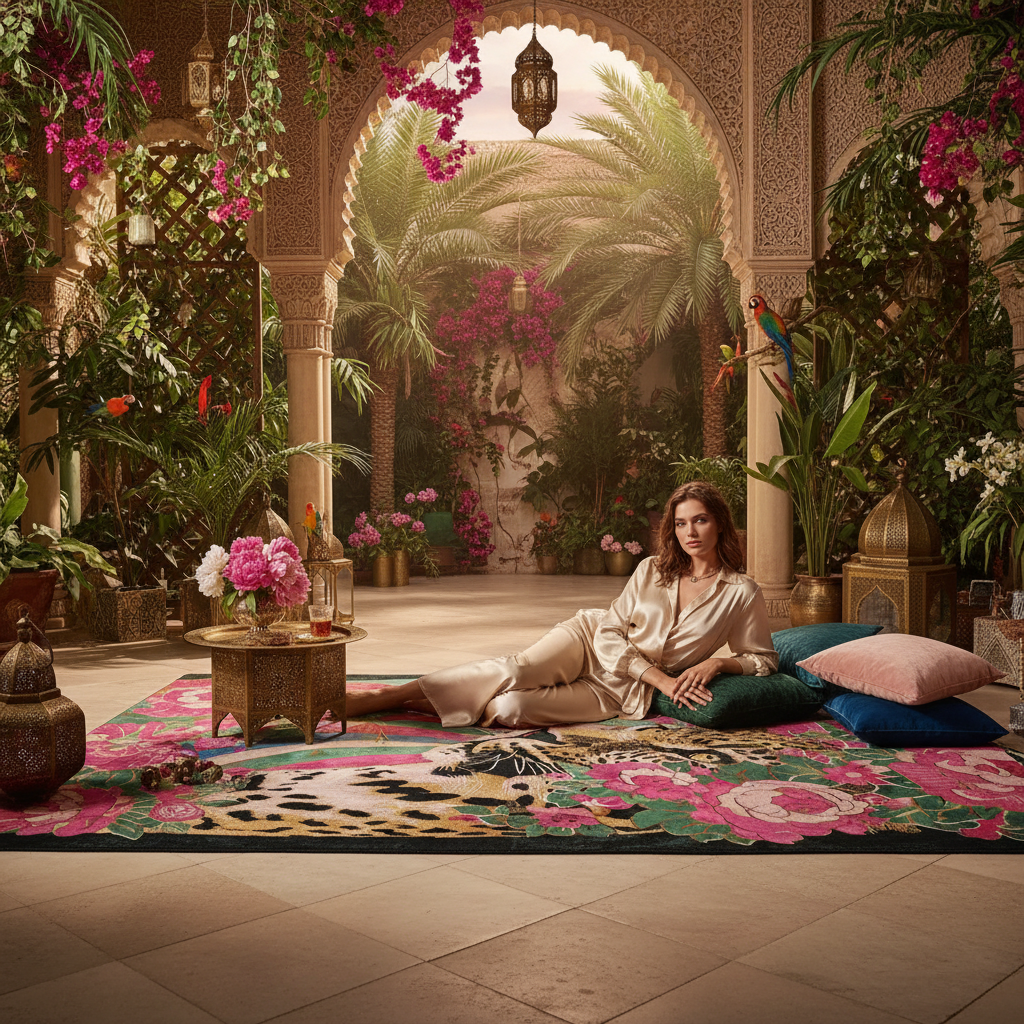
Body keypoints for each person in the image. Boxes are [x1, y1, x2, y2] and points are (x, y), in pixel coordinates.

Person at [345, 481, 778, 727]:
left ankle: (413, 703)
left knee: (508, 709)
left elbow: (762, 659)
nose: (690, 532)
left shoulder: (741, 592)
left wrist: (719, 665)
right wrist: (664, 682)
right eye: (681, 523)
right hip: (590, 642)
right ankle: (382, 696)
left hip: (621, 690)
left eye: (700, 520)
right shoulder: (651, 569)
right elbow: (610, 631)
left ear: (720, 523)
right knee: (515, 671)